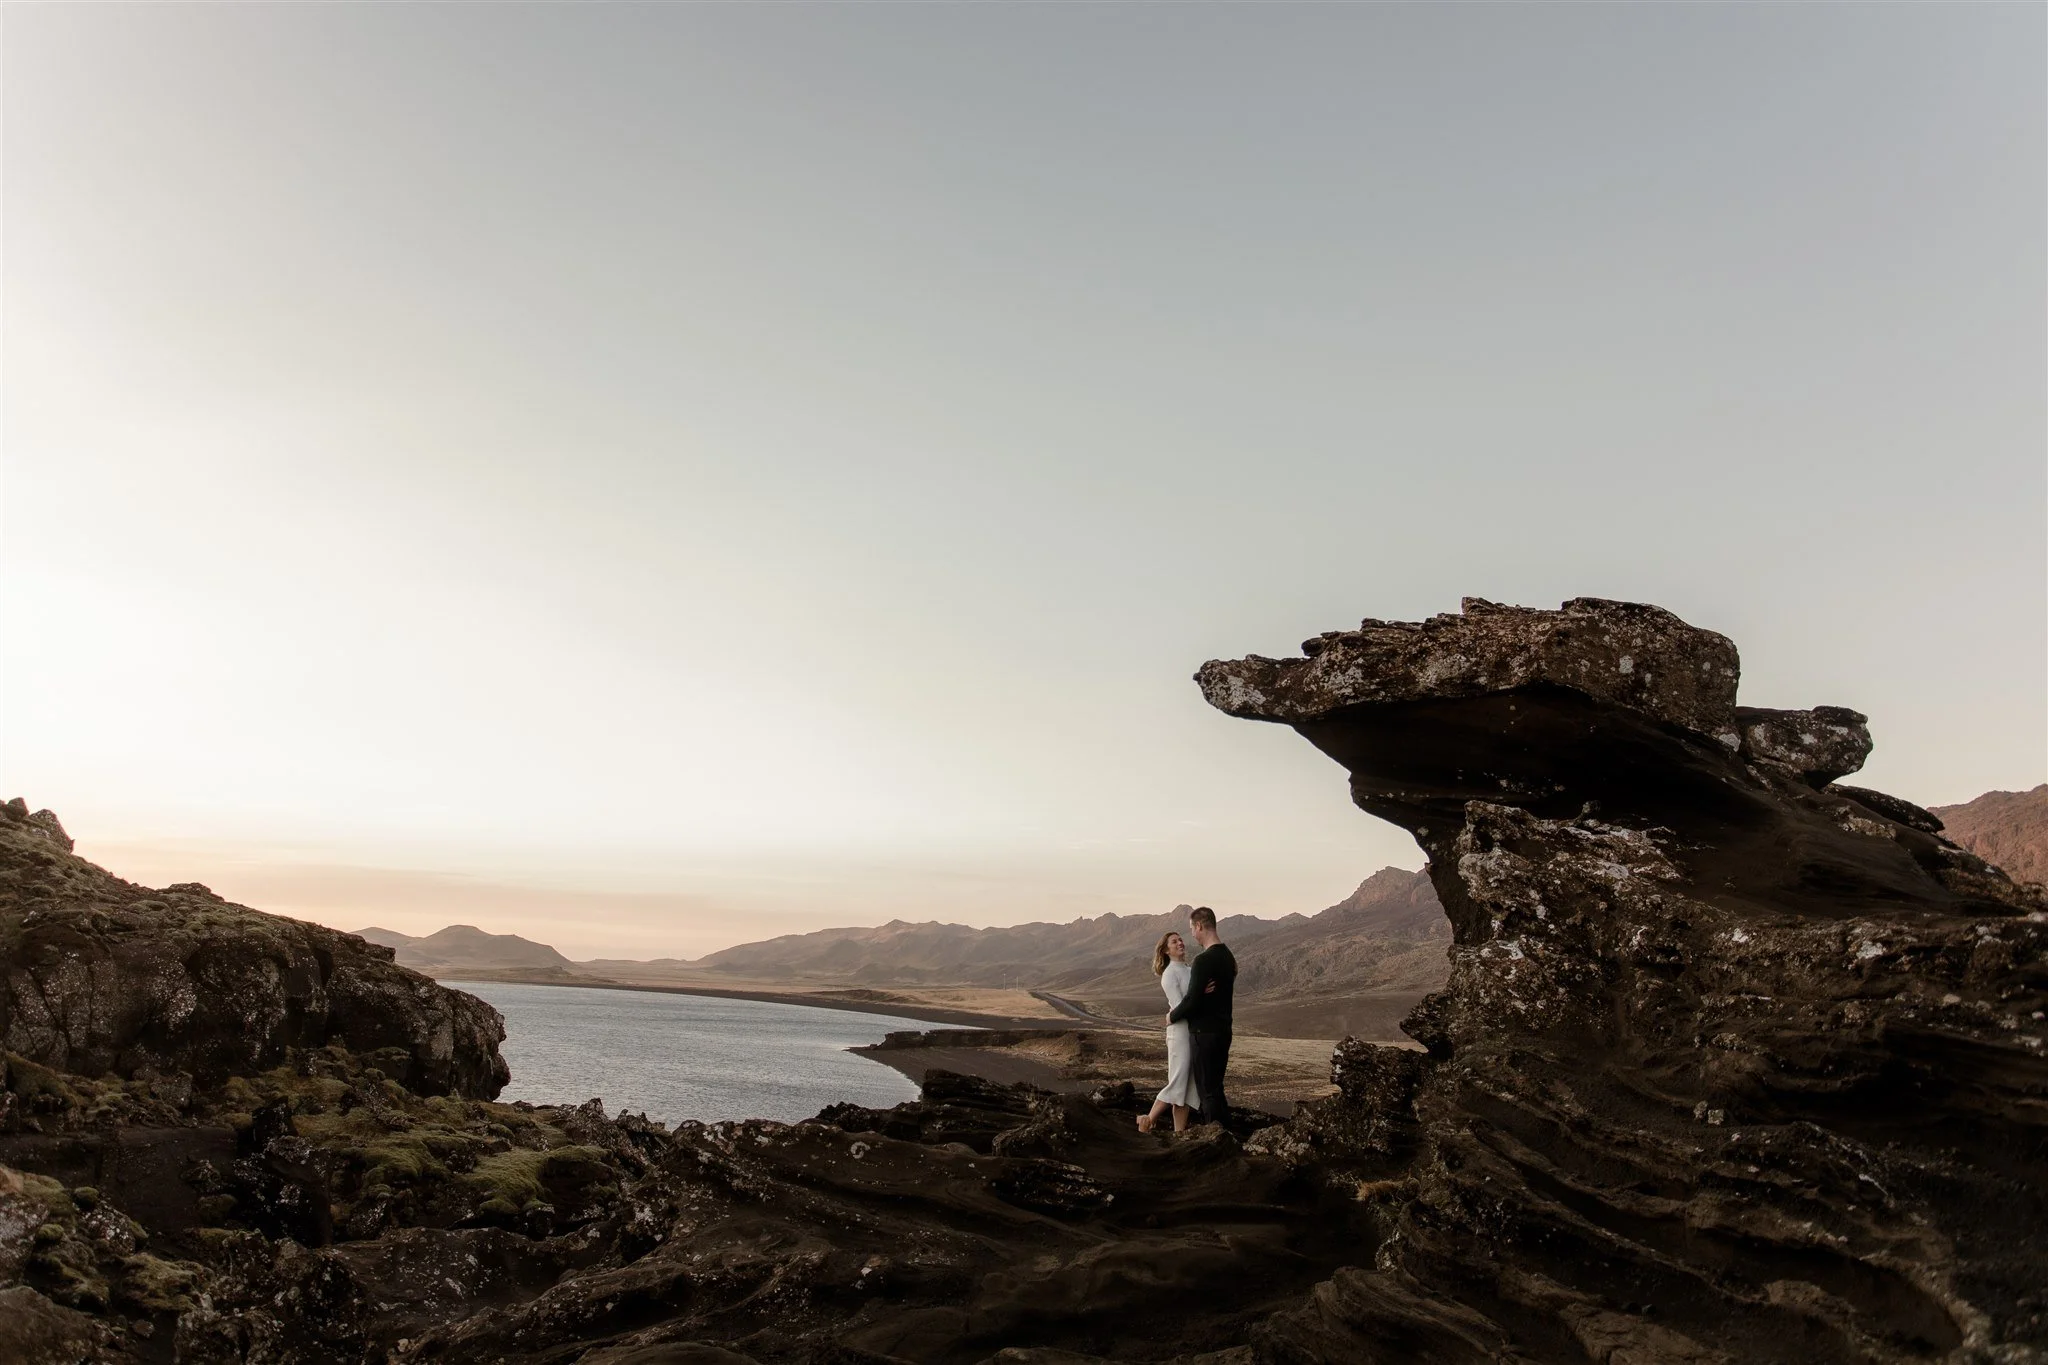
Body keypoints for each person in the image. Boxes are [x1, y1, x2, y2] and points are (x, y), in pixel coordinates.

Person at [1168, 905, 1236, 1125]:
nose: (1192, 935)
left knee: (1207, 1092)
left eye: (1192, 929)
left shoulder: (1203, 960)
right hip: (1224, 1030)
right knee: (1216, 1088)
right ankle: (1226, 1136)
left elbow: (1191, 1001)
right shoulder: (1228, 956)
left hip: (1204, 1033)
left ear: (1199, 925)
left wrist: (1171, 1017)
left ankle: (1215, 1139)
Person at [1137, 931, 1195, 1133]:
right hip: (1180, 1034)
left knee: (1186, 1086)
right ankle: (1147, 1120)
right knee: (1178, 1081)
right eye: (1174, 941)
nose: (1180, 943)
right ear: (1165, 950)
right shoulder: (1170, 974)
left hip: (1190, 1031)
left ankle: (1179, 1132)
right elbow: (1181, 1007)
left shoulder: (1189, 970)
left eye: (1180, 939)